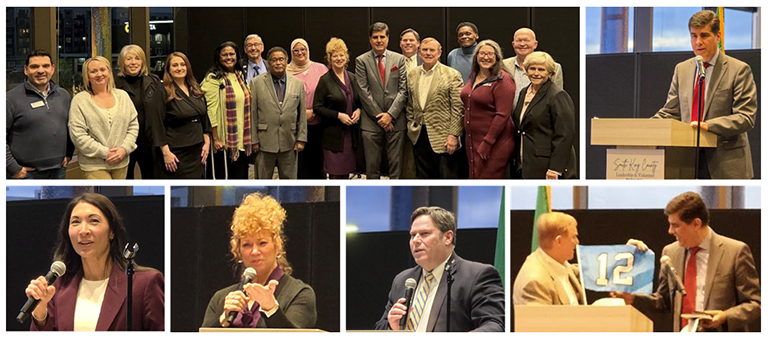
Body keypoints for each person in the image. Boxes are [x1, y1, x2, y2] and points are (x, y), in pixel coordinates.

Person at [612, 192, 761, 332]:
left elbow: (755, 304)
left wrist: (725, 316)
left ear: (696, 224)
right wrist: (632, 298)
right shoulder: (670, 252)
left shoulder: (735, 252)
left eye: (676, 225)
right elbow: (663, 301)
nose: (670, 231)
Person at [25, 193, 164, 331]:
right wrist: (40, 314)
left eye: (94, 221)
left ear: (112, 231)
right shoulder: (58, 287)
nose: (83, 230)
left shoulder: (144, 284)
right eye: (75, 222)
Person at [651, 10, 756, 179]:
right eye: (694, 36)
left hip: (726, 164)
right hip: (686, 162)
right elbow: (670, 112)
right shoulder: (682, 69)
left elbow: (746, 117)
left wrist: (708, 125)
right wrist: (646, 128)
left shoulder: (739, 70)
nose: (698, 42)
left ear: (718, 36)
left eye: (704, 35)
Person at [374, 207, 504, 332]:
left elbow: (495, 326)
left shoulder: (477, 276)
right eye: (413, 235)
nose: (416, 240)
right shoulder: (402, 280)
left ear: (448, 237)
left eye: (425, 234)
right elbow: (379, 327)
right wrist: (391, 326)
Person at [201, 193, 317, 328]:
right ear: (238, 251)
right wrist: (223, 320)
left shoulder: (299, 294)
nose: (255, 251)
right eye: (247, 245)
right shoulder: (221, 299)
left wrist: (272, 310)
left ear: (277, 245)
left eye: (262, 243)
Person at [6, 49, 74, 179]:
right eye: (34, 66)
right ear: (26, 70)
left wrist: (69, 153)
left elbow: (70, 126)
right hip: (25, 174)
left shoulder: (63, 95)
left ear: (52, 69)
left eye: (45, 66)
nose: (41, 71)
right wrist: (13, 168)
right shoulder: (10, 99)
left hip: (59, 170)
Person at [69, 56, 138, 180]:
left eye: (102, 70)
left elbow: (133, 125)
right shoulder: (79, 100)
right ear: (87, 75)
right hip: (93, 165)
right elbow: (78, 135)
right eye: (93, 71)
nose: (99, 74)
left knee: (118, 197)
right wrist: (105, 153)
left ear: (109, 72)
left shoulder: (123, 96)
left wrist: (124, 149)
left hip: (121, 162)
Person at [355, 22, 408, 179]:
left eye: (382, 37)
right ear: (370, 40)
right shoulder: (361, 60)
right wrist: (381, 116)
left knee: (396, 166)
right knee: (372, 167)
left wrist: (390, 115)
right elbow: (363, 91)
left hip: (396, 120)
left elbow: (403, 90)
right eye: (375, 37)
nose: (379, 40)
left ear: (388, 38)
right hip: (371, 122)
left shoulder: (399, 59)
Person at [405, 38, 464, 179]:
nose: (428, 53)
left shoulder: (452, 74)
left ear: (439, 53)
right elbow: (410, 103)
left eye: (432, 50)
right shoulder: (412, 74)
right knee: (423, 178)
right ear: (419, 52)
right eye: (425, 50)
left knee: (446, 179)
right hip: (419, 134)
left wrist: (454, 135)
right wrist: (410, 124)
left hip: (443, 137)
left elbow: (458, 107)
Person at [513, 51, 576, 179]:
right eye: (532, 68)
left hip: (547, 166)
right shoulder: (524, 92)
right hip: (525, 162)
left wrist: (555, 168)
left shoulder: (557, 95)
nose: (536, 73)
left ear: (550, 74)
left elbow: (565, 135)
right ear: (526, 70)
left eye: (541, 70)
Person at [460, 40, 515, 179]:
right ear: (476, 56)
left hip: (494, 142)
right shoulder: (473, 75)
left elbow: (502, 115)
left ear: (497, 57)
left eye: (490, 54)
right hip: (473, 140)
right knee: (474, 177)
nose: (485, 57)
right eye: (482, 53)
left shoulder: (503, 80)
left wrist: (487, 142)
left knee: (487, 179)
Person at [152, 51, 211, 179]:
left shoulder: (195, 88)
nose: (179, 68)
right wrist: (166, 152)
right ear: (168, 69)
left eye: (182, 64)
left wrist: (207, 141)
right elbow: (157, 124)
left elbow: (204, 117)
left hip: (197, 151)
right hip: (175, 153)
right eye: (175, 65)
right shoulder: (162, 91)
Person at [250, 47, 307, 179]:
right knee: (262, 181)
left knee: (289, 182)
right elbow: (252, 113)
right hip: (264, 141)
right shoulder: (256, 83)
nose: (278, 63)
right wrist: (253, 140)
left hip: (289, 141)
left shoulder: (297, 84)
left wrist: (301, 138)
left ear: (287, 61)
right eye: (274, 60)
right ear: (268, 63)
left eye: (281, 59)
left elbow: (302, 114)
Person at [201, 41, 253, 179]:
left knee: (241, 178)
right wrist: (216, 138)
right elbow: (211, 111)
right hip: (223, 143)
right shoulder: (213, 78)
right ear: (218, 57)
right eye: (224, 55)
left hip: (242, 140)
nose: (228, 57)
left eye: (232, 54)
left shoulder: (239, 75)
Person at [114, 45, 166, 179]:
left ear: (142, 61)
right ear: (122, 62)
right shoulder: (113, 83)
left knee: (152, 181)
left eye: (137, 58)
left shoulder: (154, 81)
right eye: (128, 59)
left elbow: (162, 111)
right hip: (124, 142)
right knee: (125, 181)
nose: (133, 62)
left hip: (149, 142)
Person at [313, 37, 362, 179]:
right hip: (333, 137)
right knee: (335, 176)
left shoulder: (352, 78)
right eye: (335, 55)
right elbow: (317, 107)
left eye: (342, 55)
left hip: (350, 136)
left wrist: (359, 111)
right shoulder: (325, 80)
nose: (339, 58)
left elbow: (359, 101)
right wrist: (338, 115)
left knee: (346, 174)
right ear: (329, 58)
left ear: (346, 57)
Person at [512, 212, 582, 305]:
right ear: (559, 241)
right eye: (574, 237)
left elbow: (581, 271)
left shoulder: (558, 262)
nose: (577, 242)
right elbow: (540, 319)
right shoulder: (535, 282)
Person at [287, 38, 328, 179]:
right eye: (296, 50)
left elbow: (329, 94)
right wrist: (301, 114)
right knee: (300, 165)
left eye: (303, 49)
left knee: (318, 163)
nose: (300, 53)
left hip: (319, 123)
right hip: (295, 126)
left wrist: (315, 111)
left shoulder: (321, 69)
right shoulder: (285, 72)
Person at [502, 27, 564, 105]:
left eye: (526, 40)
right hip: (509, 116)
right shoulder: (503, 65)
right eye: (519, 40)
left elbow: (558, 99)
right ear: (513, 44)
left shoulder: (554, 67)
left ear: (535, 44)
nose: (522, 44)